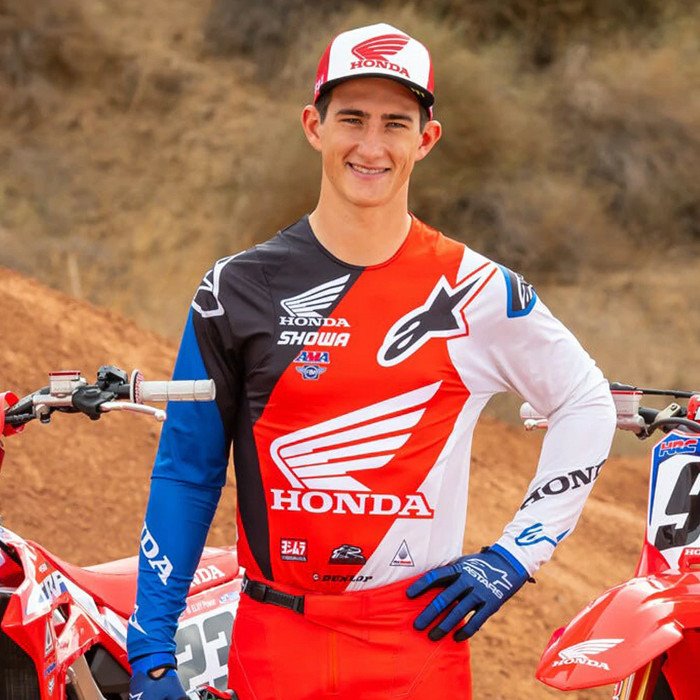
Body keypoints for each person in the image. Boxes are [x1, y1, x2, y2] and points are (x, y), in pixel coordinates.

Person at [127, 22, 617, 700]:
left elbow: (585, 400)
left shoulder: (476, 290)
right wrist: (152, 645)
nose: (371, 145)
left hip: (415, 643)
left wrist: (514, 556)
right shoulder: (233, 290)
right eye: (352, 119)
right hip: (276, 640)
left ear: (427, 139)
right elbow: (188, 470)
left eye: (395, 124)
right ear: (314, 126)